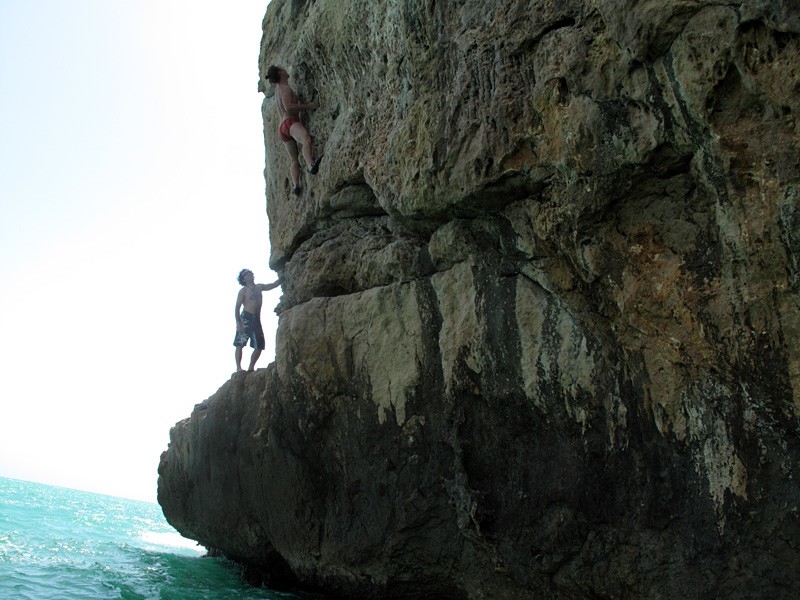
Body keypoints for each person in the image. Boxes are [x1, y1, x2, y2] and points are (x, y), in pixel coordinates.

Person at [266, 65, 322, 195]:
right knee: (306, 140)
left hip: (282, 128)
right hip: (290, 122)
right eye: (283, 69)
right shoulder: (285, 88)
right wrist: (309, 106)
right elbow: (289, 107)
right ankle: (310, 165)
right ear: (280, 72)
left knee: (294, 159)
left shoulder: (277, 91)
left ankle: (296, 185)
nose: (286, 69)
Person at [233, 269, 281, 372]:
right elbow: (237, 308)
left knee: (260, 345)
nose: (249, 275)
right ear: (243, 279)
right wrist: (239, 323)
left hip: (256, 318)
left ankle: (251, 367)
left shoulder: (259, 287)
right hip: (246, 317)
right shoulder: (243, 291)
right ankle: (238, 367)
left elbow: (272, 285)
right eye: (246, 274)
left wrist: (283, 277)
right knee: (240, 343)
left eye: (250, 273)